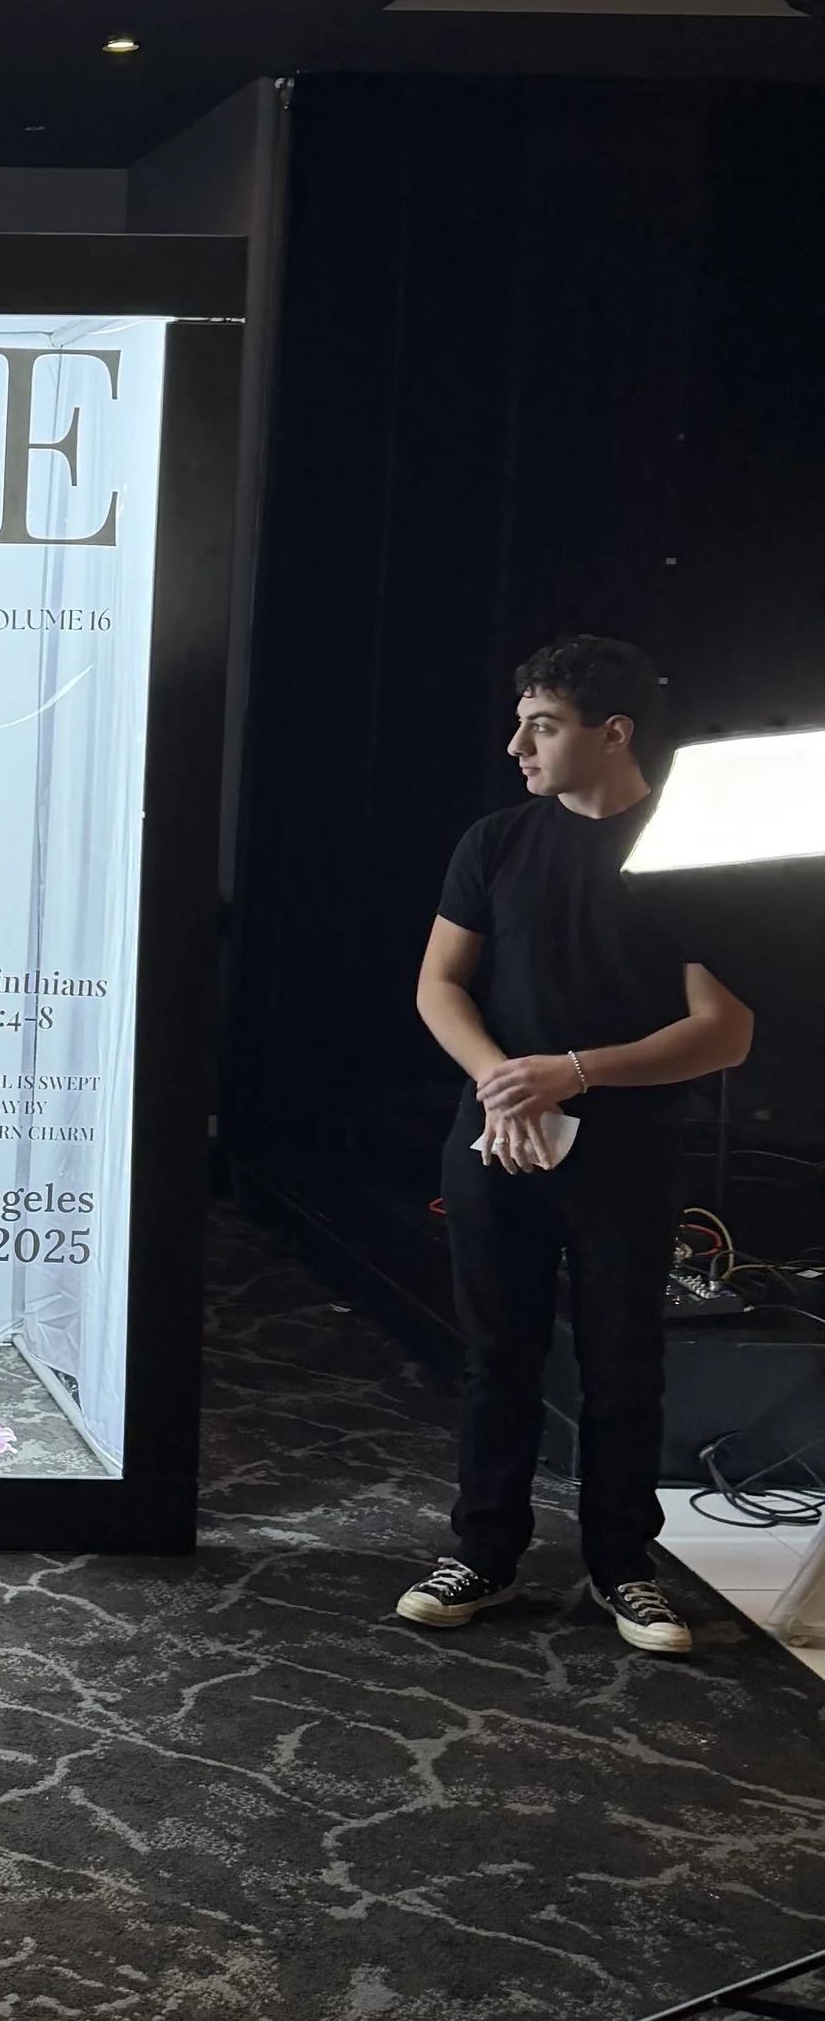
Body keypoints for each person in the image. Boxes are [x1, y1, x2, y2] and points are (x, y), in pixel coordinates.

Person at [397, 635, 753, 1654]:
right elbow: (439, 986)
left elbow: (723, 1031)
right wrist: (499, 1085)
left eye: (541, 725)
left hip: (624, 1151)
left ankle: (623, 1566)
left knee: (621, 1361)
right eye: (520, 721)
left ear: (614, 733)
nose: (516, 744)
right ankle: (484, 1552)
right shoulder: (496, 842)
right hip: (493, 1139)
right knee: (494, 1356)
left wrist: (571, 1072)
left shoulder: (686, 852)